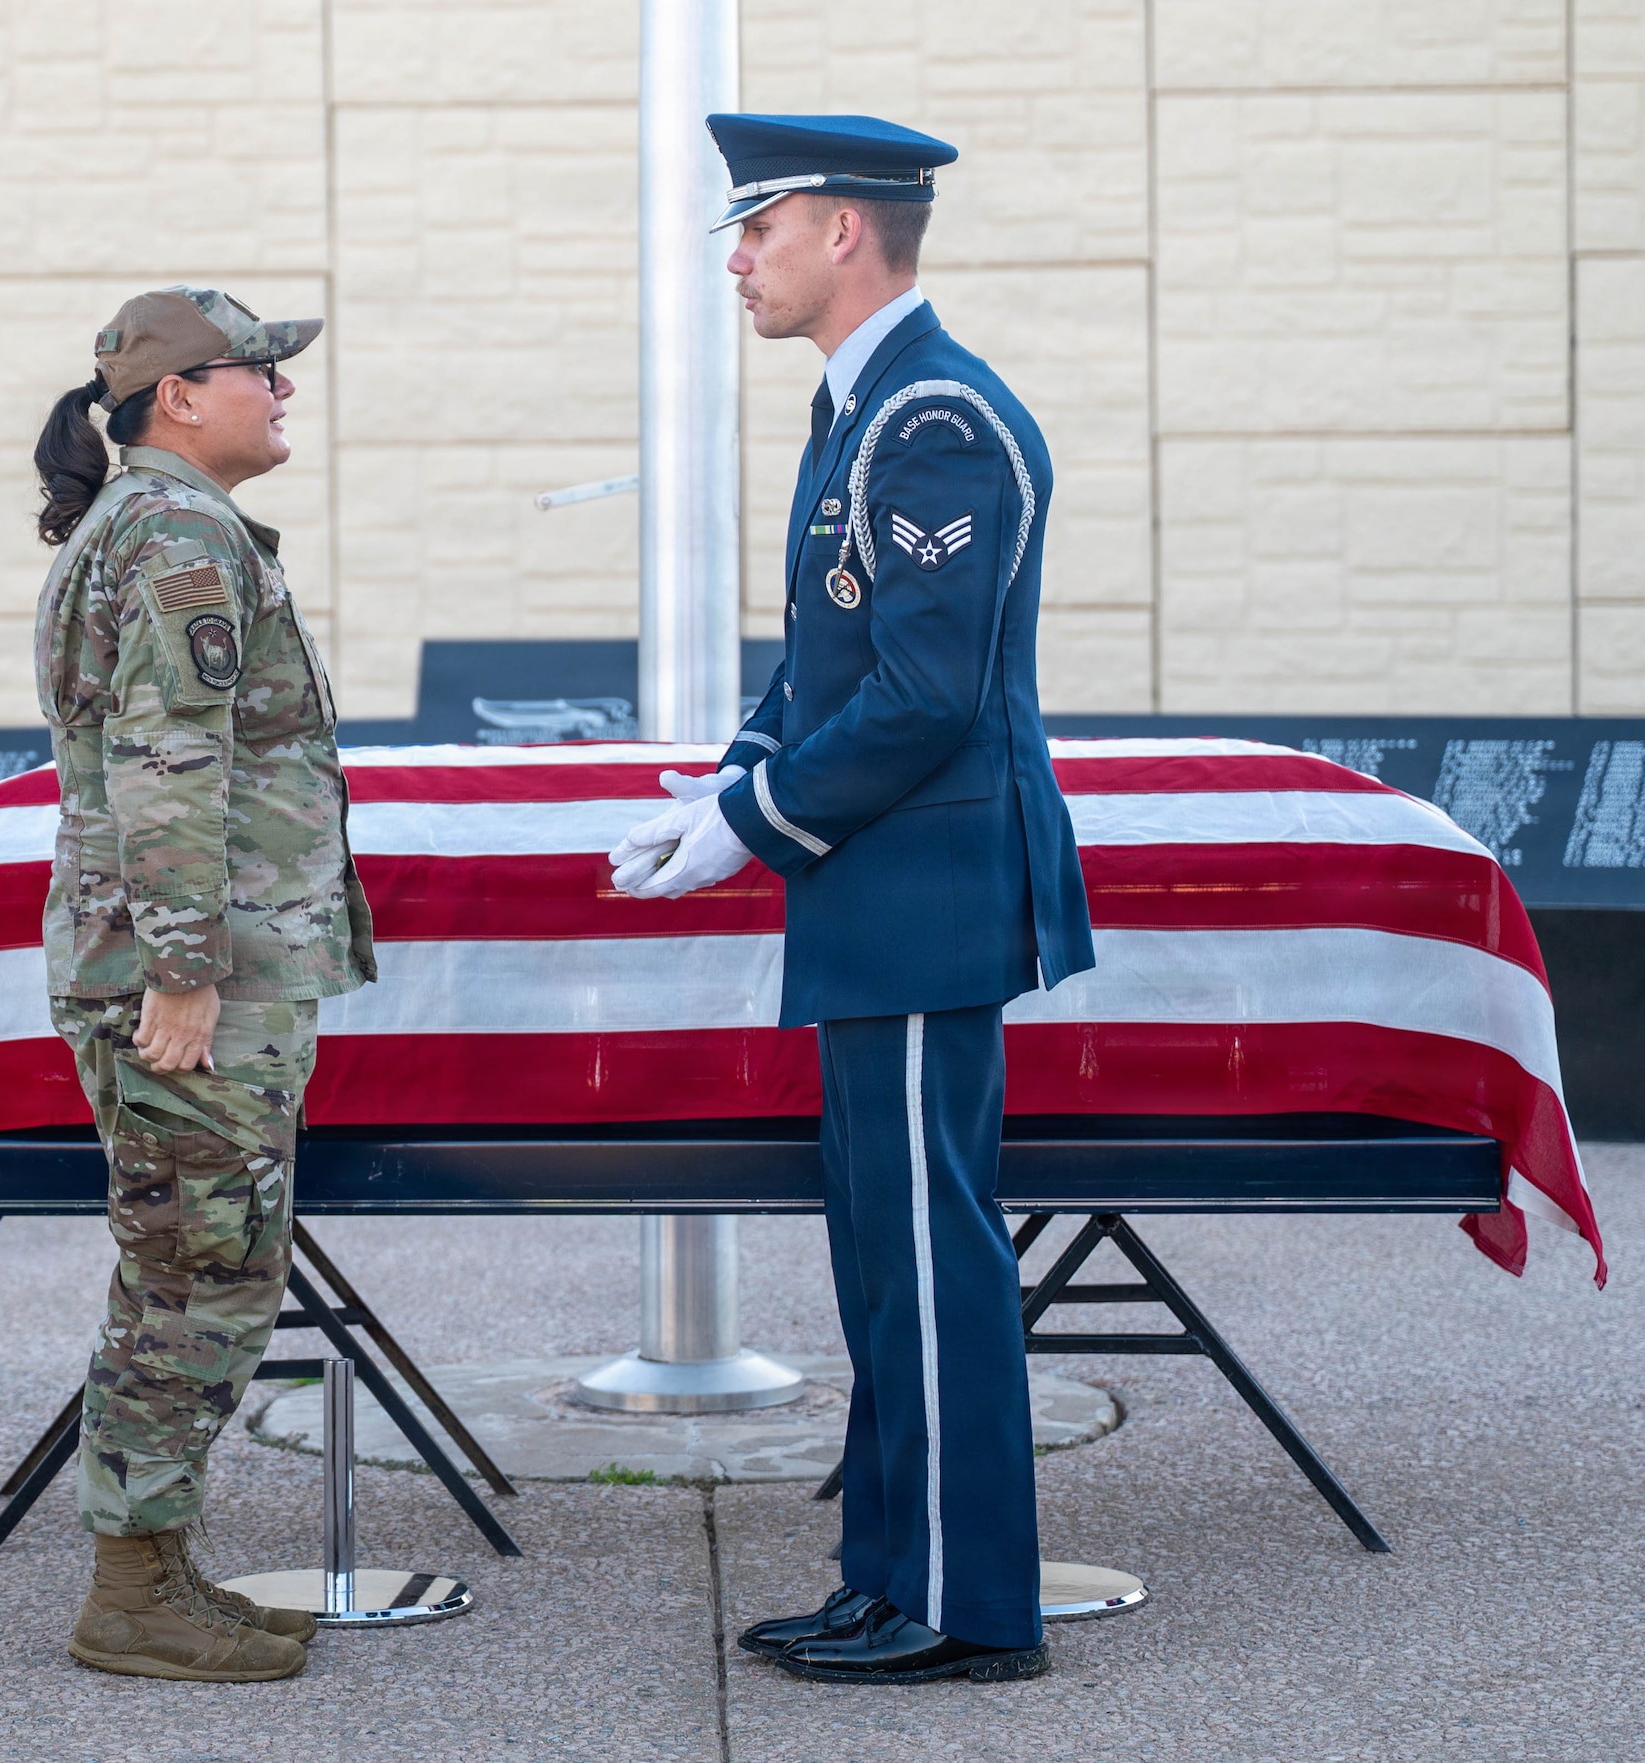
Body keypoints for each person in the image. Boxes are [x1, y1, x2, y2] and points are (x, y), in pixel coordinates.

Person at [610, 115, 1096, 1685]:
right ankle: (891, 1577)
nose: (737, 260)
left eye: (756, 229)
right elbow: (824, 657)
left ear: (840, 229)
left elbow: (926, 695)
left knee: (932, 1262)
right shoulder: (866, 407)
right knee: (885, 1259)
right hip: (881, 893)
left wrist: (755, 818)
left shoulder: (933, 414)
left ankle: (964, 1606)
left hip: (926, 897)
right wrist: (731, 785)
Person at [32, 285, 376, 1681]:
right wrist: (185, 974)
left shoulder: (169, 526)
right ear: (179, 395)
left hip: (188, 962)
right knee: (196, 1275)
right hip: (187, 979)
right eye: (260, 373)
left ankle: (162, 1568)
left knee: (201, 1267)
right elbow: (168, 763)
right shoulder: (175, 532)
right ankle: (130, 1592)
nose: (281, 392)